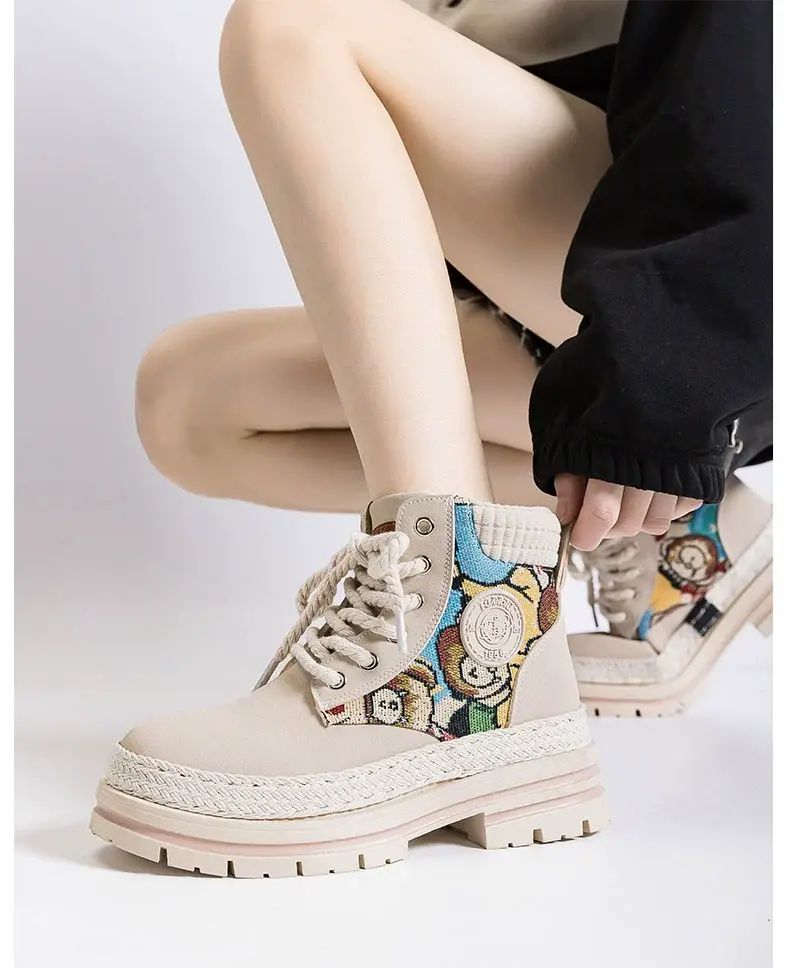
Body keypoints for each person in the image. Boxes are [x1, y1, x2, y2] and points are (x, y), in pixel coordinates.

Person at [89, 1, 772, 875]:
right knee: (186, 406)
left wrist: (671, 384)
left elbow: (744, 70)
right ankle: (687, 527)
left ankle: (460, 638)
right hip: (576, 284)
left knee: (290, 27)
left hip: (723, 265)